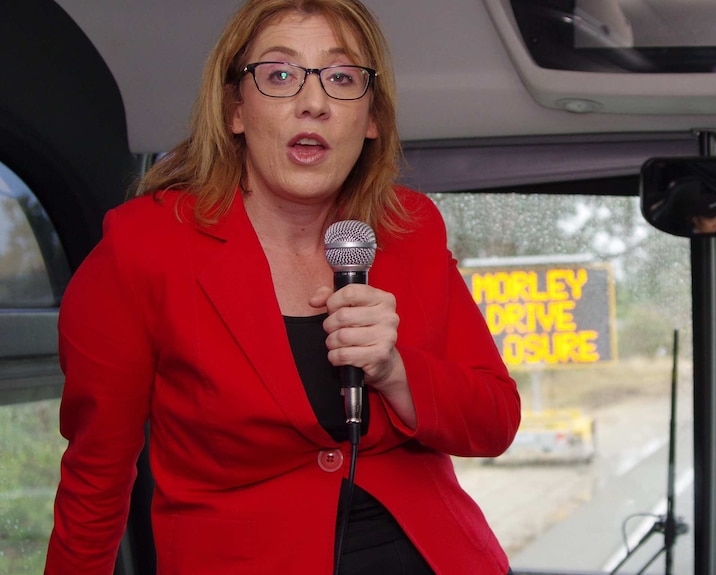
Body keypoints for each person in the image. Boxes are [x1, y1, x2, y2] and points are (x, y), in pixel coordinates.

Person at [44, 1, 521, 574]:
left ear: (371, 119)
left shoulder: (410, 228)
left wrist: (395, 371)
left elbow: (495, 420)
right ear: (235, 111)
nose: (313, 102)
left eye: (342, 78)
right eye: (279, 75)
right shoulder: (143, 246)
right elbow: (97, 475)